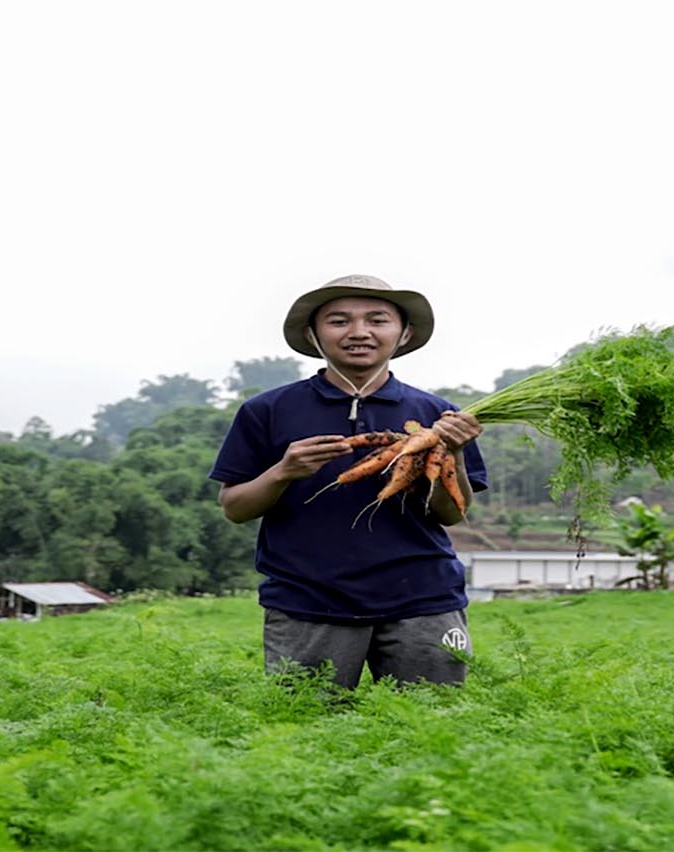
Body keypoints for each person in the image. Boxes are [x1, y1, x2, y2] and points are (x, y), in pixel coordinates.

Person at [209, 274, 487, 689]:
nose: (359, 332)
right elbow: (234, 508)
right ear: (313, 334)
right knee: (307, 733)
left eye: (377, 320)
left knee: (434, 730)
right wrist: (283, 471)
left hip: (424, 599)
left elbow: (452, 514)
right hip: (308, 602)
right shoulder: (267, 410)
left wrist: (455, 453)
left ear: (403, 333)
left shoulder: (439, 414)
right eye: (339, 321)